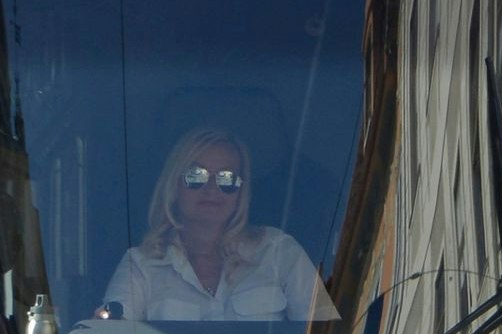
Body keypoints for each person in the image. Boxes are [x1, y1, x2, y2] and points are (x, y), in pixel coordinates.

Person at [97, 129, 332, 323]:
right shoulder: (139, 266)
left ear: (241, 190)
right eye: (196, 176)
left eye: (227, 178)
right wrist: (103, 325)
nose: (211, 189)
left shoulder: (280, 253)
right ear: (174, 185)